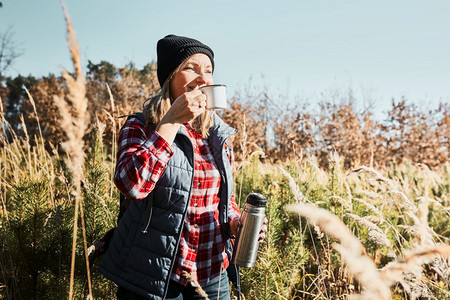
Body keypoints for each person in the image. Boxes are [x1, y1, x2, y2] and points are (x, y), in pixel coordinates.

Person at [99, 34, 266, 300]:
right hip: (153, 276)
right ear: (169, 78)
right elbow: (132, 185)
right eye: (191, 68)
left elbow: (222, 199)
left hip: (212, 273)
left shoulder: (218, 135)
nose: (203, 78)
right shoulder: (141, 126)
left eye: (208, 71)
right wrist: (170, 122)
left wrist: (236, 222)